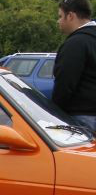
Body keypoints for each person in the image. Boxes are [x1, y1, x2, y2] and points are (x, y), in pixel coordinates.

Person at [54, 0, 96, 131]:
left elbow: (65, 82)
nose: (58, 21)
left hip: (82, 117)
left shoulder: (76, 43)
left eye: (60, 16)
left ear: (71, 16)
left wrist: (54, 111)